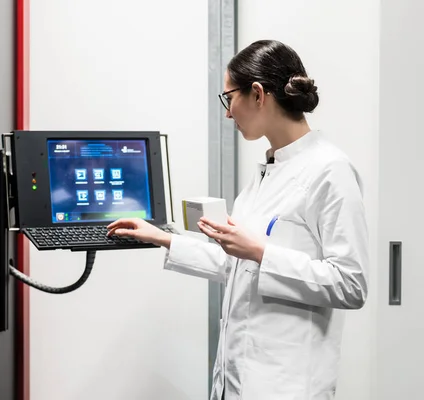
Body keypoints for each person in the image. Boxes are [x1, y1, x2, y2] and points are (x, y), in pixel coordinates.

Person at [107, 39, 369, 400]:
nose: (228, 113)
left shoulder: (330, 170)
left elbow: (350, 284)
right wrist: (164, 238)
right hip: (236, 378)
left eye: (229, 98)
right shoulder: (267, 172)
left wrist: (262, 252)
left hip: (287, 384)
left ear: (258, 94)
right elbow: (239, 266)